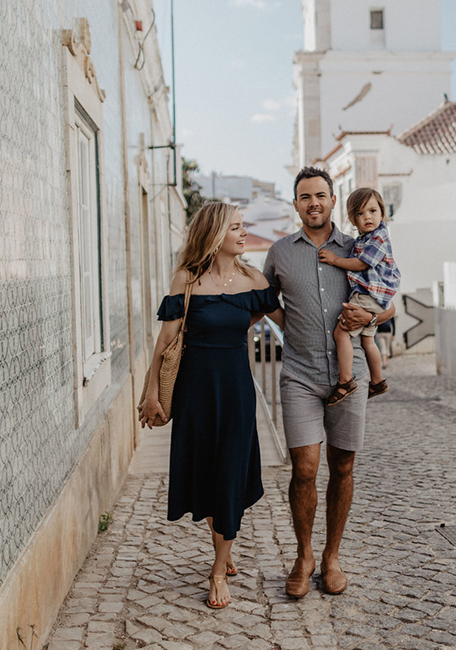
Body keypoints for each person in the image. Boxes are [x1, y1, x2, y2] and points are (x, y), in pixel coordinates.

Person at [138, 202, 279, 610]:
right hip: (194, 392)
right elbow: (164, 343)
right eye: (235, 227)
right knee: (207, 470)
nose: (242, 232)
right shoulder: (186, 279)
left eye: (243, 226)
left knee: (230, 473)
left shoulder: (253, 278)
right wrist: (151, 393)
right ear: (215, 234)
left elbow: (271, 318)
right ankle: (223, 545)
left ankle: (218, 569)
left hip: (236, 391)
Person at [264, 167, 395, 599]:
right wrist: (290, 330)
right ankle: (303, 556)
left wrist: (372, 318)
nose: (313, 202)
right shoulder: (280, 253)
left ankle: (332, 557)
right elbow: (265, 302)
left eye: (321, 195)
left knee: (343, 467)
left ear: (334, 200)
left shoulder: (361, 244)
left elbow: (389, 305)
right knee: (304, 469)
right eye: (305, 197)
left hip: (351, 375)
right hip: (299, 375)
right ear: (296, 204)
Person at [318, 187, 400, 405]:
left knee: (341, 334)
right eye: (360, 214)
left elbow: (361, 263)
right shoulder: (365, 238)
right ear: (353, 220)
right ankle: (378, 380)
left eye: (373, 211)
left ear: (382, 212)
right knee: (367, 340)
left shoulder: (379, 237)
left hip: (367, 294)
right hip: (376, 298)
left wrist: (335, 260)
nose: (368, 218)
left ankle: (345, 381)